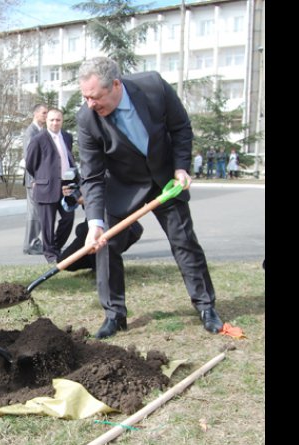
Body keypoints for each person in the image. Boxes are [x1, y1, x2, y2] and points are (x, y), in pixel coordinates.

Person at [76, 56, 224, 339]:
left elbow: (181, 128)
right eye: (86, 97)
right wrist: (95, 222)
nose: (91, 104)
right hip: (122, 184)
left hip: (165, 180)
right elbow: (92, 176)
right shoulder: (87, 118)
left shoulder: (154, 88)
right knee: (106, 245)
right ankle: (114, 315)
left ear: (116, 85)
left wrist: (181, 167)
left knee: (184, 242)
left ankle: (206, 307)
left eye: (95, 97)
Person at [24, 108, 76, 264]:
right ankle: (50, 254)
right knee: (47, 223)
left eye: (58, 120)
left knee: (68, 218)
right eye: (52, 120)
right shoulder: (38, 139)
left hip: (66, 186)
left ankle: (57, 247)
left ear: (62, 120)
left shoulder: (67, 137)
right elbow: (30, 164)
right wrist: (41, 177)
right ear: (47, 121)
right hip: (45, 186)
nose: (55, 123)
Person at [22, 104, 48, 255]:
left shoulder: (41, 131)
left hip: (40, 179)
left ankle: (34, 242)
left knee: (38, 212)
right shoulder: (30, 132)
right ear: (36, 114)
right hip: (34, 180)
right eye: (44, 113)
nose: (46, 115)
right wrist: (33, 179)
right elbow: (29, 157)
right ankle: (31, 244)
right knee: (34, 213)